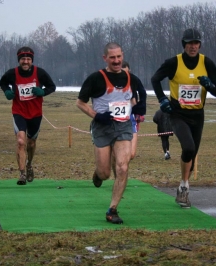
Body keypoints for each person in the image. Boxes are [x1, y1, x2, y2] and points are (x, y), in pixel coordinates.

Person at [151, 28, 216, 208]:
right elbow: (155, 79)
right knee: (188, 147)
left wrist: (209, 85)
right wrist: (162, 99)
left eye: (196, 43)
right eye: (190, 43)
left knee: (191, 154)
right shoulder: (173, 62)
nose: (193, 46)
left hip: (197, 115)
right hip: (178, 113)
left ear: (200, 45)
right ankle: (184, 188)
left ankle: (183, 184)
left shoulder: (207, 63)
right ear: (184, 44)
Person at [76, 42, 140, 224]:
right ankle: (97, 174)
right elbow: (80, 103)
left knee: (122, 166)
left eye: (119, 56)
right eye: (112, 57)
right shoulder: (95, 78)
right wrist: (97, 115)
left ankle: (112, 209)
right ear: (105, 58)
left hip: (123, 127)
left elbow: (133, 99)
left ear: (122, 56)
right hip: (102, 127)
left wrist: (136, 109)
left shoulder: (131, 78)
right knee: (105, 173)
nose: (116, 60)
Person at [0, 46, 56, 185]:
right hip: (19, 111)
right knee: (20, 141)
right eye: (23, 59)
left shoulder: (40, 73)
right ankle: (22, 174)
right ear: (19, 60)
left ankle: (29, 164)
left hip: (35, 113)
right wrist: (7, 91)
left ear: (32, 60)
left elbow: (52, 86)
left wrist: (42, 92)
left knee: (31, 143)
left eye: (28, 59)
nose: (25, 62)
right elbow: (2, 82)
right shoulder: (12, 73)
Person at [121, 61, 147, 159]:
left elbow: (143, 93)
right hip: (115, 116)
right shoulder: (111, 79)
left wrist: (139, 108)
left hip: (131, 112)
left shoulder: (134, 79)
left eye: (126, 73)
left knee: (131, 155)